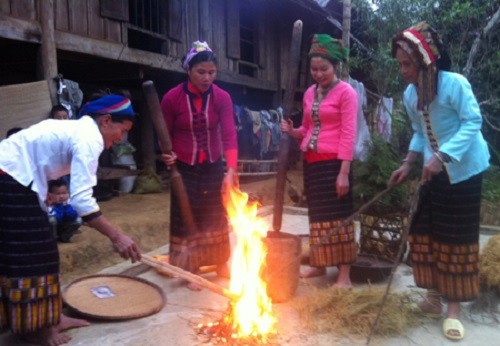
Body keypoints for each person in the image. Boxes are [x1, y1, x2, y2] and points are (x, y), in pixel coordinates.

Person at [0, 94, 142, 345]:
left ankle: (50, 318)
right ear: (107, 121)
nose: (121, 137)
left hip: (14, 177)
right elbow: (82, 201)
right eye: (123, 130)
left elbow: (41, 162)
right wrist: (117, 236)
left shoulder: (79, 131)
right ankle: (35, 331)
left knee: (40, 254)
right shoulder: (89, 138)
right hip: (8, 178)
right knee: (30, 258)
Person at [388, 22, 490, 341]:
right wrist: (408, 164)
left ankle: (454, 309)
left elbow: (472, 121)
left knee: (454, 237)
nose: (403, 71)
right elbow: (420, 133)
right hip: (433, 170)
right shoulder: (409, 94)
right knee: (425, 230)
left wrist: (442, 156)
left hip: (464, 170)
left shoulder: (453, 84)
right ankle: (433, 297)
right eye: (400, 64)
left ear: (426, 62)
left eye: (408, 64)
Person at [280, 34, 358, 288]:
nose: (319, 73)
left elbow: (349, 134)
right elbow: (307, 128)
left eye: (324, 68)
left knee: (340, 217)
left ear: (335, 66)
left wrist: (344, 172)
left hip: (335, 163)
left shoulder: (347, 93)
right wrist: (292, 131)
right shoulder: (310, 93)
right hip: (312, 162)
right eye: (314, 69)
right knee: (318, 217)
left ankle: (344, 275)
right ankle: (319, 263)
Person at [160, 40, 238, 290]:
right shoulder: (172, 98)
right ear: (188, 71)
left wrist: (231, 171)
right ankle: (191, 266)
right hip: (183, 166)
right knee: (187, 213)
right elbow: (164, 133)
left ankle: (219, 262)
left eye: (212, 72)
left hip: (213, 164)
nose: (207, 78)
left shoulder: (222, 98)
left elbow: (229, 135)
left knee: (215, 212)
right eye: (201, 72)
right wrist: (166, 154)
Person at [47, 178, 82, 243]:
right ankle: (52, 239)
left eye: (64, 193)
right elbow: (57, 217)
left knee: (78, 220)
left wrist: (66, 206)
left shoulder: (69, 201)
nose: (61, 196)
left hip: (63, 225)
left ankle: (64, 236)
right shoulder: (48, 204)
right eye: (58, 194)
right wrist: (59, 205)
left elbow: (73, 215)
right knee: (51, 220)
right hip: (53, 227)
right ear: (50, 194)